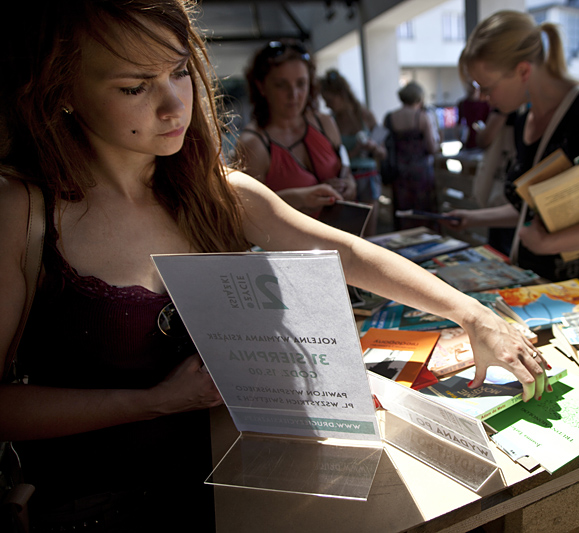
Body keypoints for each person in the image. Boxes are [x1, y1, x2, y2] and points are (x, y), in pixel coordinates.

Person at [0, 2, 551, 530]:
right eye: (134, 87)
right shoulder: (24, 213)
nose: (173, 105)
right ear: (63, 87)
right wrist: (153, 403)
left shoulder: (216, 193)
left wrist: (471, 313)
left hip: (239, 483)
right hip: (95, 509)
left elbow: (350, 252)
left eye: (179, 72)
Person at [445, 11, 579, 308]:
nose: (482, 97)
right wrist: (474, 218)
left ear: (523, 71)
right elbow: (537, 209)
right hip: (542, 294)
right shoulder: (523, 119)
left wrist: (549, 243)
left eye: (486, 86)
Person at [235, 39, 357, 217]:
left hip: (341, 235)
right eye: (281, 85)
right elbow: (246, 212)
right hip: (292, 245)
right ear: (261, 87)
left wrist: (349, 183)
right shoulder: (253, 144)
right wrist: (297, 199)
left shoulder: (324, 123)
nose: (294, 95)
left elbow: (345, 169)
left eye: (301, 84)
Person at [319, 69, 386, 236]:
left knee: (369, 236)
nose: (327, 105)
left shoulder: (365, 115)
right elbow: (332, 158)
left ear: (341, 94)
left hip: (368, 178)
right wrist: (354, 151)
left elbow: (383, 153)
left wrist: (373, 147)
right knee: (348, 235)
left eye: (329, 100)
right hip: (345, 181)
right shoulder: (330, 121)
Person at [383, 81, 440, 230]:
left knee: (403, 213)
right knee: (423, 213)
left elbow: (384, 144)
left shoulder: (390, 117)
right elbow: (431, 147)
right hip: (420, 173)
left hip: (399, 174)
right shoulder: (422, 117)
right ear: (419, 98)